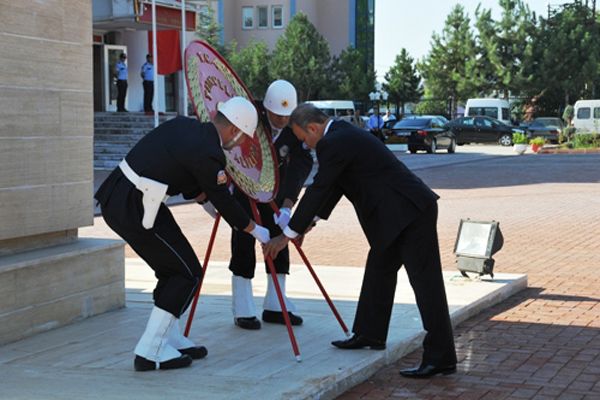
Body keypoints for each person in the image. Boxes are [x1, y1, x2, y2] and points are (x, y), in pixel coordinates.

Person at [264, 103, 457, 379]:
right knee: (379, 270)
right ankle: (369, 334)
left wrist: (288, 234)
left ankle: (441, 358)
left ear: (314, 128)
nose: (305, 145)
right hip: (396, 216)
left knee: (426, 285)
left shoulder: (335, 142)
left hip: (411, 213)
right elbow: (334, 188)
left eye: (304, 139)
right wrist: (306, 226)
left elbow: (319, 188)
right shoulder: (341, 136)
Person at [95, 97, 272, 372]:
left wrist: (208, 204)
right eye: (241, 138)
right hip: (134, 205)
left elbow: (189, 179)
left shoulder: (187, 128)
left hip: (127, 198)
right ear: (233, 129)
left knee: (172, 270)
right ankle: (150, 350)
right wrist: (254, 229)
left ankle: (170, 336)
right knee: (187, 274)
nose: (239, 144)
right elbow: (222, 197)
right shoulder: (208, 151)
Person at [228, 80, 313, 330]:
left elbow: (300, 164)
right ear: (265, 108)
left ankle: (276, 304)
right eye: (277, 115)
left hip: (275, 193)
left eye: (287, 116)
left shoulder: (295, 125)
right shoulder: (249, 115)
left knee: (278, 241)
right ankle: (242, 308)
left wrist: (287, 206)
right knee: (243, 242)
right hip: (243, 190)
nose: (282, 121)